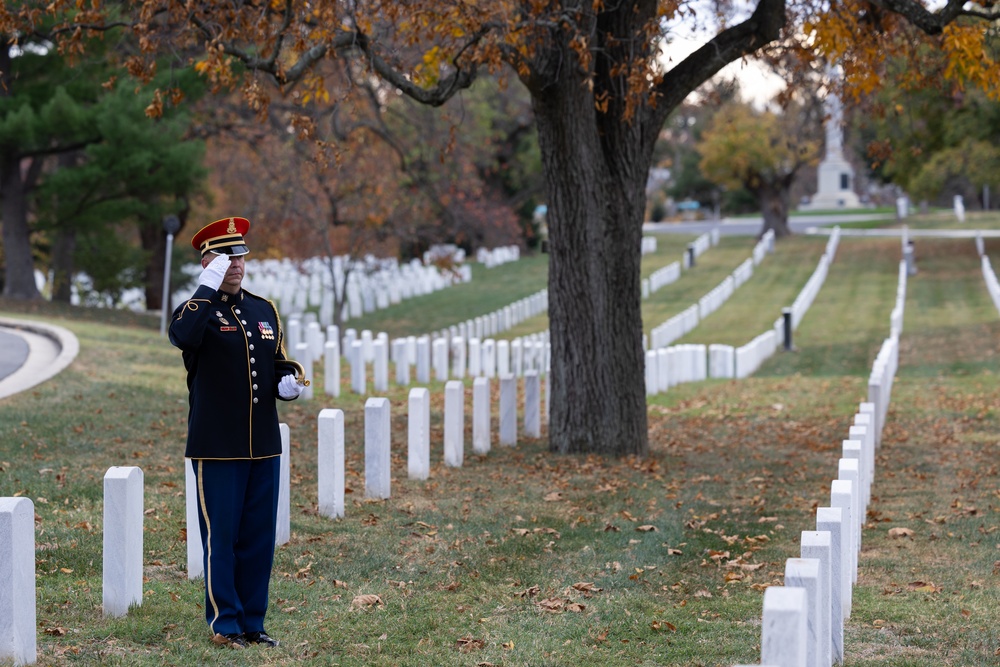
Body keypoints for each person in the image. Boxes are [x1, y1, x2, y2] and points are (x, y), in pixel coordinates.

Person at [168, 216, 304, 649]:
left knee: (259, 539)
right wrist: (206, 289)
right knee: (221, 539)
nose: (238, 265)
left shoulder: (263, 309)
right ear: (207, 263)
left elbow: (278, 359)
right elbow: (181, 337)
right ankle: (225, 624)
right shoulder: (196, 313)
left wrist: (292, 380)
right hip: (218, 445)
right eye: (226, 258)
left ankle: (253, 622)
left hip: (263, 445)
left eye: (241, 256)